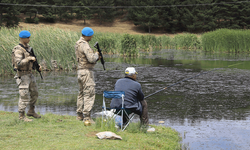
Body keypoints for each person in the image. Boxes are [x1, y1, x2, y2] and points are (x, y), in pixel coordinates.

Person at [12, 30, 42, 122]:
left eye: (29, 37)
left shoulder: (29, 48)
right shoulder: (18, 49)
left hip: (30, 74)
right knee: (24, 95)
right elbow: (19, 63)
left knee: (35, 93)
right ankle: (21, 116)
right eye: (27, 38)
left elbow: (32, 60)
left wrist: (37, 66)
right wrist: (29, 58)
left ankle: (31, 111)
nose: (29, 39)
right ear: (22, 38)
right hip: (22, 75)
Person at [75, 27, 100, 123]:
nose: (92, 37)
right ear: (88, 35)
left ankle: (79, 114)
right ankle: (87, 117)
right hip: (87, 72)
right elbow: (91, 59)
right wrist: (97, 55)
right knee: (89, 93)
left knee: (81, 93)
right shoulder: (85, 45)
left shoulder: (78, 43)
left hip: (80, 71)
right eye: (91, 35)